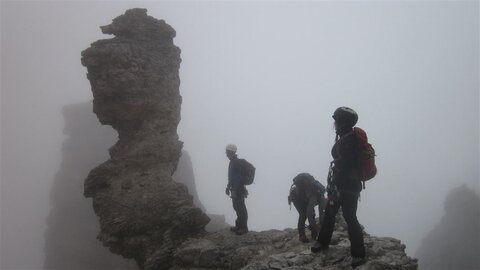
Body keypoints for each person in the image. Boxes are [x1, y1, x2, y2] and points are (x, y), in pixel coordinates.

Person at [311, 107, 366, 268]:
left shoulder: (349, 140)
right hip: (343, 186)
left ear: (342, 122)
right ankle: (322, 241)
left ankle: (358, 254)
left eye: (336, 120)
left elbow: (348, 163)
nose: (334, 123)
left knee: (350, 217)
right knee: (330, 213)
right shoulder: (346, 137)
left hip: (346, 186)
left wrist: (337, 181)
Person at [288, 173, 326, 243]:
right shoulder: (302, 188)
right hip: (296, 198)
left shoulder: (314, 188)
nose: (306, 184)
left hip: (304, 198)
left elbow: (314, 210)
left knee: (309, 213)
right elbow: (309, 211)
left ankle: (313, 233)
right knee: (303, 214)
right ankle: (302, 235)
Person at [225, 144, 249, 235]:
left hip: (238, 189)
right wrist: (228, 187)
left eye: (227, 152)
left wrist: (235, 190)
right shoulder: (232, 162)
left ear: (231, 152)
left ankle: (244, 228)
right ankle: (239, 225)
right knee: (237, 208)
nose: (226, 154)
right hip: (235, 188)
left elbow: (238, 178)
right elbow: (232, 177)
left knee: (241, 208)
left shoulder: (236, 162)